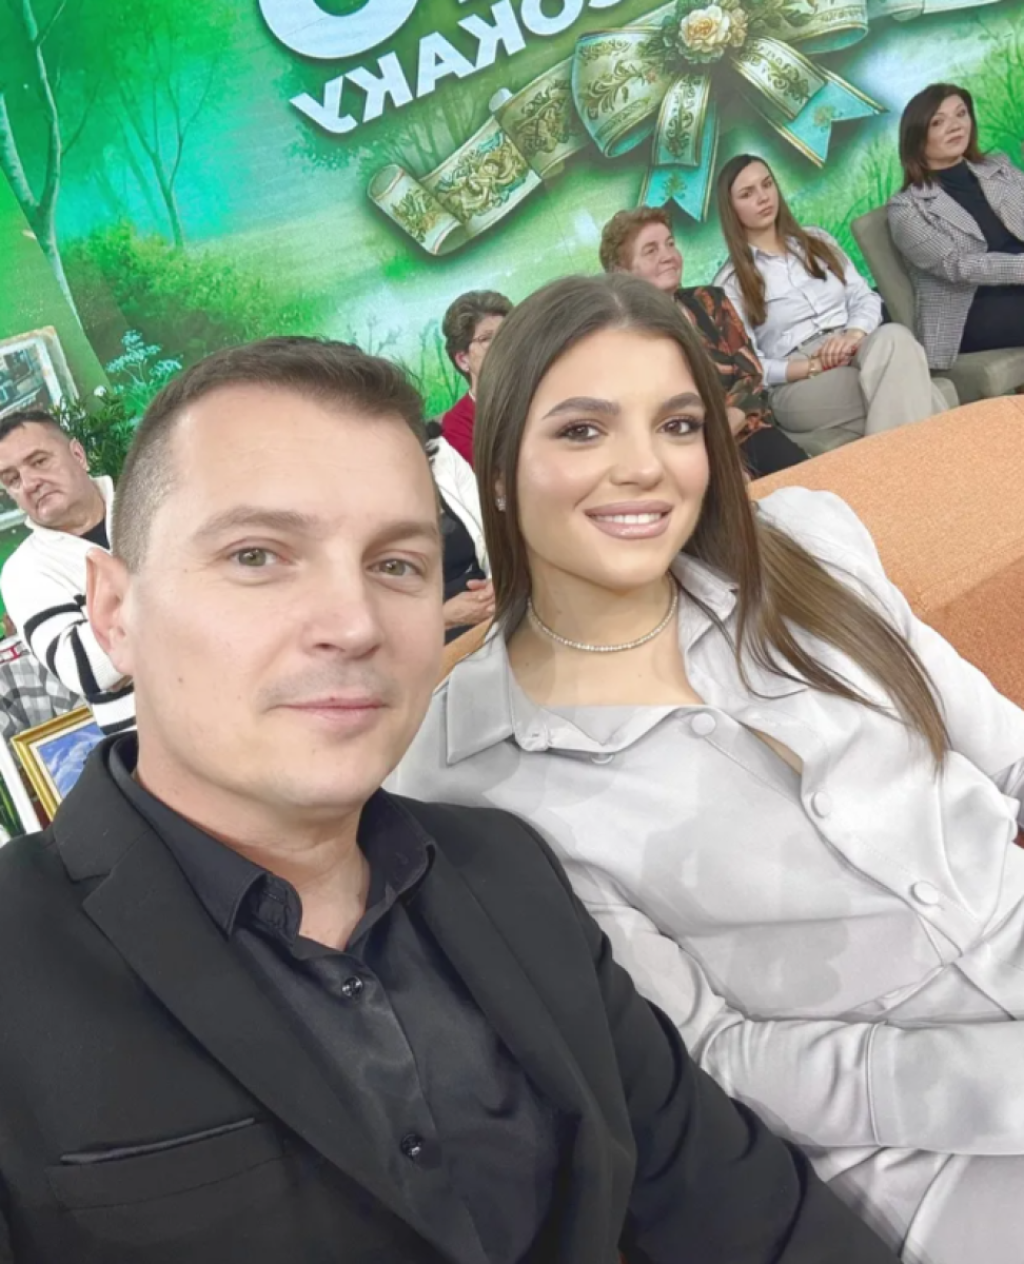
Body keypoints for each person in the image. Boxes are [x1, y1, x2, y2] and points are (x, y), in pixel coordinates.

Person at [0, 336, 896, 1263]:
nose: (354, 624)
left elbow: (727, 1196)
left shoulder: (506, 870)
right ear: (115, 612)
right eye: (258, 555)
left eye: (396, 565)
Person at [392, 274, 1024, 1264]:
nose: (644, 467)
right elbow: (710, 1053)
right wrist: (1002, 1082)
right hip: (904, 1143)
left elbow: (1005, 750)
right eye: (583, 430)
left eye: (676, 424)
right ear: (499, 467)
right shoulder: (461, 773)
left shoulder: (805, 543)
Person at [714, 155, 939, 455]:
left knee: (896, 337)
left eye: (767, 184)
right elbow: (751, 368)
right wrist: (811, 366)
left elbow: (864, 297)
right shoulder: (729, 283)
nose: (763, 197)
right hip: (798, 380)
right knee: (907, 381)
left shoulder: (817, 239)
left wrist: (853, 335)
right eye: (747, 193)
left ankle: (892, 474)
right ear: (731, 209)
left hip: (855, 346)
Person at [600, 206, 807, 479]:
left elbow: (752, 373)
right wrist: (708, 443)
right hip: (688, 453)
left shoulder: (710, 300)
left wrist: (730, 421)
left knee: (808, 481)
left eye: (670, 244)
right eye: (651, 250)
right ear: (621, 272)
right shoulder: (623, 337)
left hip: (747, 430)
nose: (668, 256)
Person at [0, 408, 134, 734]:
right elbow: (86, 670)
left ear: (78, 455)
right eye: (12, 479)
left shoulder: (155, 507)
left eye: (39, 461)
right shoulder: (23, 573)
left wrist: (123, 648)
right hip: (149, 743)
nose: (30, 483)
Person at [887, 81, 1024, 370]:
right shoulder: (906, 208)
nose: (955, 126)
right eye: (938, 122)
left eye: (961, 114)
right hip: (971, 310)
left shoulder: (998, 168)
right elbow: (956, 265)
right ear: (916, 137)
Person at [426, 421, 495, 641]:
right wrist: (443, 618)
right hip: (421, 629)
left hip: (480, 591)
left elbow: (489, 524)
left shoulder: (440, 452)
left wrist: (496, 583)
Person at [440, 290, 512, 466]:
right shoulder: (456, 427)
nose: (504, 344)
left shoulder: (539, 395)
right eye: (487, 338)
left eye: (508, 334)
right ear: (463, 360)